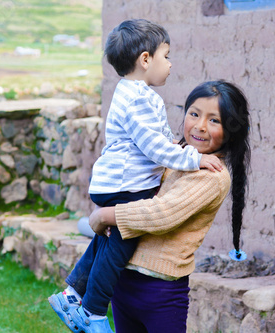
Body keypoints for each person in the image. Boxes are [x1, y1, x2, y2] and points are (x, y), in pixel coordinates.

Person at [48, 19, 222, 333]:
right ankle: (93, 311)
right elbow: (155, 147)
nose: (169, 64)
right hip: (126, 184)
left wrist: (175, 147)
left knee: (105, 242)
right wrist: (194, 158)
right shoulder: (141, 98)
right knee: (119, 248)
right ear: (145, 60)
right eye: (166, 56)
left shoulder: (128, 93)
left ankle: (71, 293)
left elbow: (156, 138)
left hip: (114, 182)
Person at [88, 80, 251, 332]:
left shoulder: (213, 176)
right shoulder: (172, 153)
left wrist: (105, 215)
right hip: (123, 279)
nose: (200, 126)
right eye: (194, 114)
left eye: (214, 120)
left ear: (231, 130)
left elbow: (162, 214)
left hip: (160, 292)